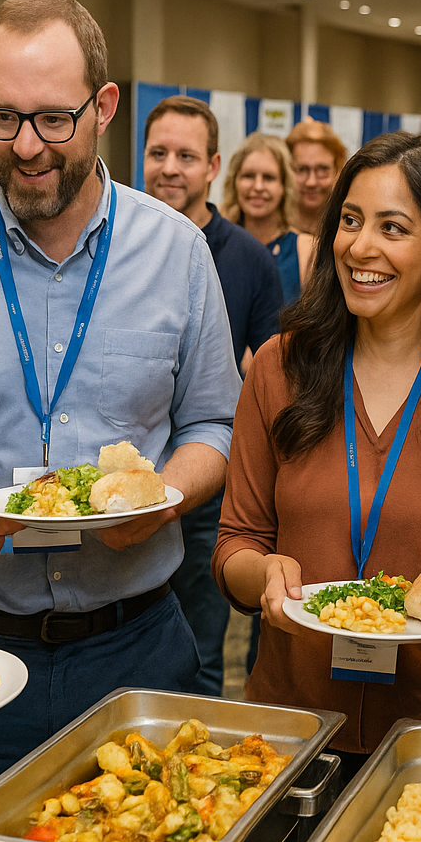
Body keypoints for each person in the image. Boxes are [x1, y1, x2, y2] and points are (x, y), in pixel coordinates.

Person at [0, 0, 242, 798]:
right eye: (4, 118)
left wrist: (166, 499)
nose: (26, 146)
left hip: (135, 646)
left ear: (103, 107)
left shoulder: (176, 253)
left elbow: (215, 423)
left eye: (53, 120)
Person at [214, 132, 421, 762]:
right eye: (350, 221)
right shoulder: (279, 371)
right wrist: (265, 574)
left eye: (393, 228)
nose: (361, 248)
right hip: (292, 731)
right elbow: (235, 543)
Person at [143, 94, 281, 697]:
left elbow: (277, 376)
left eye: (186, 155)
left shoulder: (249, 257)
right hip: (122, 488)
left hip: (207, 491)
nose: (170, 167)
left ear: (213, 166)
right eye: (157, 153)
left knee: (199, 655)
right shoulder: (122, 245)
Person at [223, 132, 315, 306]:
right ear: (234, 182)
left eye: (269, 178)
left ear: (284, 186)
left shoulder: (307, 250)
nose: (258, 187)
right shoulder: (215, 245)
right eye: (248, 176)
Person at [287, 119, 347, 237]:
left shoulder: (347, 231)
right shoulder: (270, 229)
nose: (311, 182)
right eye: (302, 169)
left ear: (338, 171)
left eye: (322, 170)